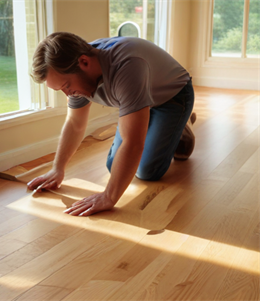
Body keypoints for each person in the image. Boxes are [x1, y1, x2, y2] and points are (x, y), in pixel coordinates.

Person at [27, 32, 195, 217]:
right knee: (113, 165)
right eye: (61, 90)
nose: (69, 95)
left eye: (67, 86)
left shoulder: (127, 66)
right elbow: (75, 123)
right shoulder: (74, 65)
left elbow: (132, 143)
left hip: (171, 97)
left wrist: (109, 196)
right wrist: (57, 168)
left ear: (84, 62)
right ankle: (148, 120)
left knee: (147, 171)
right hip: (138, 98)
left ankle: (181, 125)